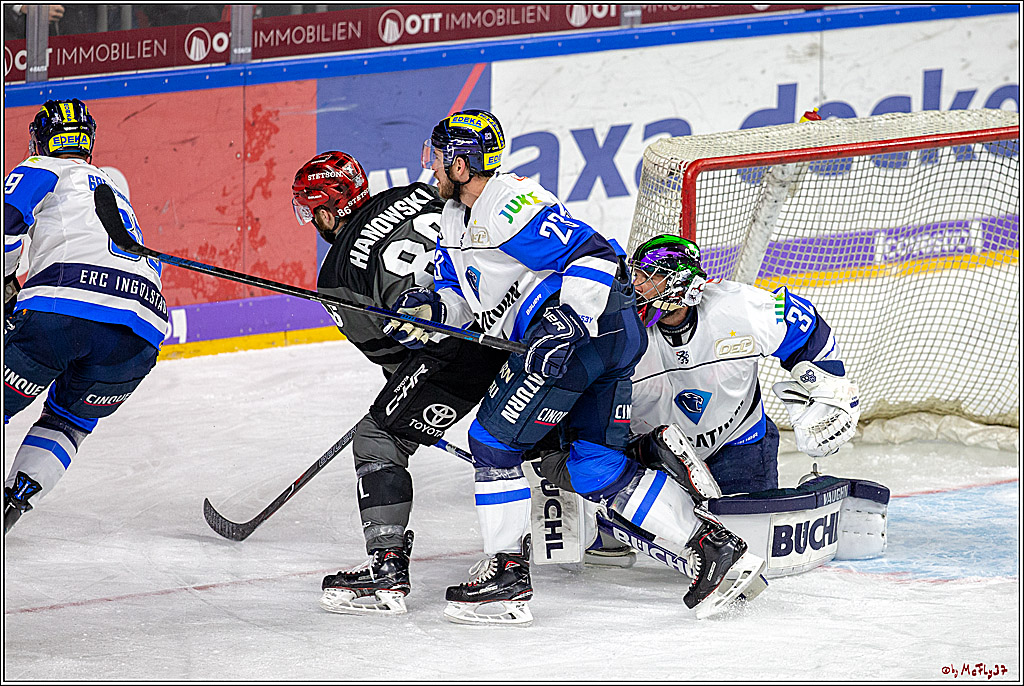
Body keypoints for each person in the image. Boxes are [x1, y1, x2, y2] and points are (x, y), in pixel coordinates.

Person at [390, 109, 765, 625]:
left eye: (437, 157)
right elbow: (464, 305)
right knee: (591, 460)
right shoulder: (454, 222)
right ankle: (715, 547)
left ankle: (504, 576)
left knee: (493, 442)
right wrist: (428, 313)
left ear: (461, 163)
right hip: (603, 336)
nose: (430, 167)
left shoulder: (508, 203)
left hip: (582, 332)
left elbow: (591, 252)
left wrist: (567, 318)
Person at [289, 151, 509, 615]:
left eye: (311, 211)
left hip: (456, 353)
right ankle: (599, 533)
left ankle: (386, 568)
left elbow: (394, 357)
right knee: (532, 433)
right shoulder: (414, 193)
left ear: (327, 211)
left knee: (378, 438)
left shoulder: (334, 279)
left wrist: (404, 410)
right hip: (512, 321)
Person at [4, 99, 167, 534]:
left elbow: (7, 221)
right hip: (141, 335)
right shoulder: (115, 192)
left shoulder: (43, 168)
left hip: (61, 313)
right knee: (69, 421)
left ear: (41, 139)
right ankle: (14, 500)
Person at [626, 233, 861, 494]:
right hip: (655, 455)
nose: (636, 284)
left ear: (680, 284)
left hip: (739, 442)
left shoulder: (738, 309)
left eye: (649, 276)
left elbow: (806, 327)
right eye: (636, 274)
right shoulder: (620, 330)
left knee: (748, 528)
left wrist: (828, 388)